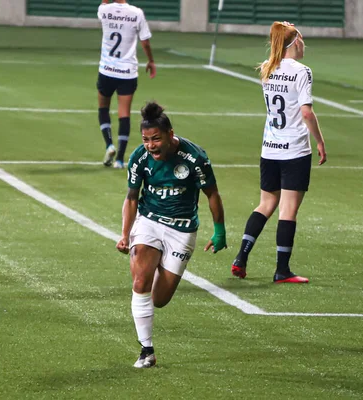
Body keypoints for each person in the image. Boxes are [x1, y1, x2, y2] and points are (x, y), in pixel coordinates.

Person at [116, 101, 227, 368]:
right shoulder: (140, 158)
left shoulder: (195, 158)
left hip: (182, 229)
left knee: (159, 299)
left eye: (156, 139)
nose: (150, 145)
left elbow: (212, 193)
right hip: (149, 222)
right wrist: (126, 234)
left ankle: (150, 266)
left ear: (169, 134)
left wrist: (219, 230)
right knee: (140, 282)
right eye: (145, 139)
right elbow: (131, 198)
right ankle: (147, 350)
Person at [230, 21, 327, 284]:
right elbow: (306, 112)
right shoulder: (302, 71)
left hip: (270, 148)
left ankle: (241, 257)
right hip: (294, 149)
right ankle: (282, 270)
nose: (304, 43)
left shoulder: (266, 68)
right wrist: (319, 141)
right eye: (302, 39)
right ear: (294, 43)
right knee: (288, 210)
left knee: (265, 204)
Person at [97, 0, 156, 169]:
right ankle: (120, 160)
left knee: (103, 108)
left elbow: (103, 4)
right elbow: (145, 41)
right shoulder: (137, 13)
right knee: (125, 113)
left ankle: (109, 145)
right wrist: (151, 61)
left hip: (107, 70)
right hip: (127, 72)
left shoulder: (104, 10)